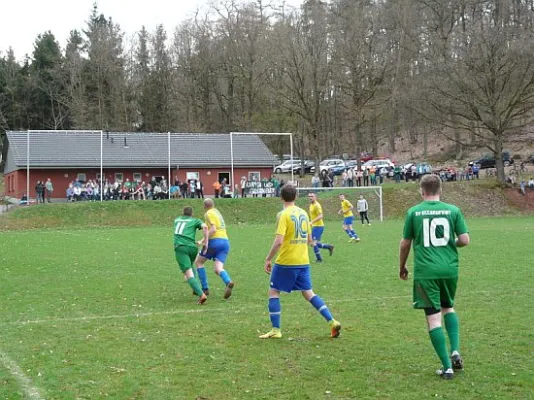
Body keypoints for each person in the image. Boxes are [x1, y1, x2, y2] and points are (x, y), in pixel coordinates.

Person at [399, 174, 470, 380]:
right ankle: (455, 350)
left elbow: (405, 243)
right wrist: (451, 243)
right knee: (449, 306)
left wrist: (402, 266)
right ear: (441, 190)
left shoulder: (414, 212)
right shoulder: (453, 210)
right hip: (449, 269)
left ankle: (447, 367)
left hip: (426, 272)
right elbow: (465, 240)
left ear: (422, 191)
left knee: (433, 317)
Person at [259, 184, 341, 339]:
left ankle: (276, 330)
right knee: (309, 293)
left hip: (286, 261)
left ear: (281, 197)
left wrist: (268, 258)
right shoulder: (304, 213)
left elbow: (278, 241)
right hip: (303, 261)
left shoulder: (284, 215)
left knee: (274, 291)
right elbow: (310, 240)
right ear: (296, 197)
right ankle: (332, 321)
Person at [194, 198, 235, 298]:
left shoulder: (208, 213)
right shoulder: (217, 212)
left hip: (214, 243)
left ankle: (205, 288)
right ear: (213, 204)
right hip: (225, 242)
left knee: (199, 262)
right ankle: (228, 281)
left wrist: (203, 240)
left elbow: (213, 229)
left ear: (204, 206)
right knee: (218, 268)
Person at [173, 207, 209, 305]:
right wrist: (205, 241)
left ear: (182, 213)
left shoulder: (177, 220)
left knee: (188, 273)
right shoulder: (195, 220)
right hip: (193, 248)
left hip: (180, 247)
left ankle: (201, 294)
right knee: (190, 266)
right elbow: (205, 227)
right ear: (192, 213)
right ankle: (195, 287)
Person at [308, 192, 334, 262]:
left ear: (315, 197)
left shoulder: (317, 205)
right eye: (309, 196)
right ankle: (329, 247)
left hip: (318, 226)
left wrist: (312, 222)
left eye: (312, 196)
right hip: (314, 226)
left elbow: (320, 216)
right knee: (311, 243)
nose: (310, 197)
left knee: (313, 243)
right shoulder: (311, 205)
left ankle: (319, 259)